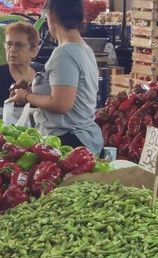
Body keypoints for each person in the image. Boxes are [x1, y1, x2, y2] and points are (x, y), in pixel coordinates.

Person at [12, 0, 104, 155]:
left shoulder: (63, 54)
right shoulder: (85, 49)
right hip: (85, 139)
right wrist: (33, 91)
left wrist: (26, 96)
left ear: (52, 16)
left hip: (68, 142)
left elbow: (61, 104)